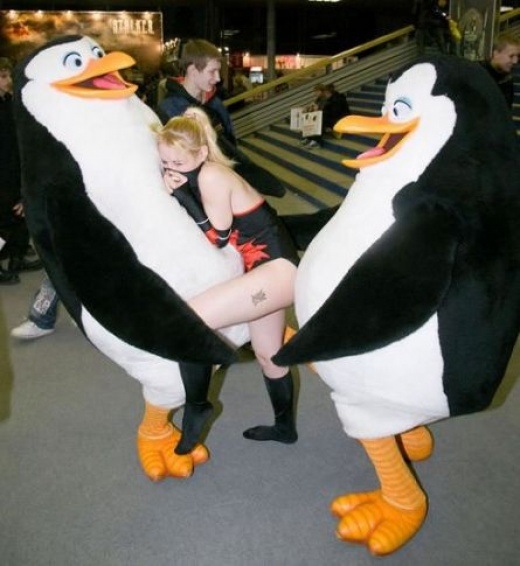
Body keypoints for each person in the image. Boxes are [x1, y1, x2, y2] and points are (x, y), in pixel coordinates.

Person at [153, 107, 299, 452]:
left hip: (275, 270)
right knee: (268, 354)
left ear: (201, 153)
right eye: (165, 162)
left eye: (178, 162)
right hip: (266, 270)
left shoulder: (211, 176)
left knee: (188, 321)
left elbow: (217, 237)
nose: (171, 169)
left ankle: (198, 406)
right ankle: (285, 428)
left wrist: (181, 196)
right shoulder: (200, 174)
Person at [156, 39, 286, 198]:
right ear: (193, 70)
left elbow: (230, 143)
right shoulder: (169, 109)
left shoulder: (216, 104)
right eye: (212, 71)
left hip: (228, 182)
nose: (218, 78)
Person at [0, 56, 42, 285]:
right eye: (3, 76)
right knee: (4, 224)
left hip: (15, 171)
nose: (8, 80)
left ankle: (17, 258)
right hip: (3, 175)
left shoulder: (9, 101)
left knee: (21, 218)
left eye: (9, 75)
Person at [303, 83, 350, 149]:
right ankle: (311, 138)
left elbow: (335, 113)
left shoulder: (337, 99)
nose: (325, 95)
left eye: (325, 93)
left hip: (341, 120)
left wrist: (319, 110)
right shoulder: (330, 98)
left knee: (320, 119)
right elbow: (327, 111)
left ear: (328, 92)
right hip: (335, 118)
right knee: (315, 117)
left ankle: (318, 141)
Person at [480, 33, 520, 108]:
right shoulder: (477, 72)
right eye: (511, 56)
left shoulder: (507, 79)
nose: (515, 61)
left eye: (517, 56)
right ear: (496, 54)